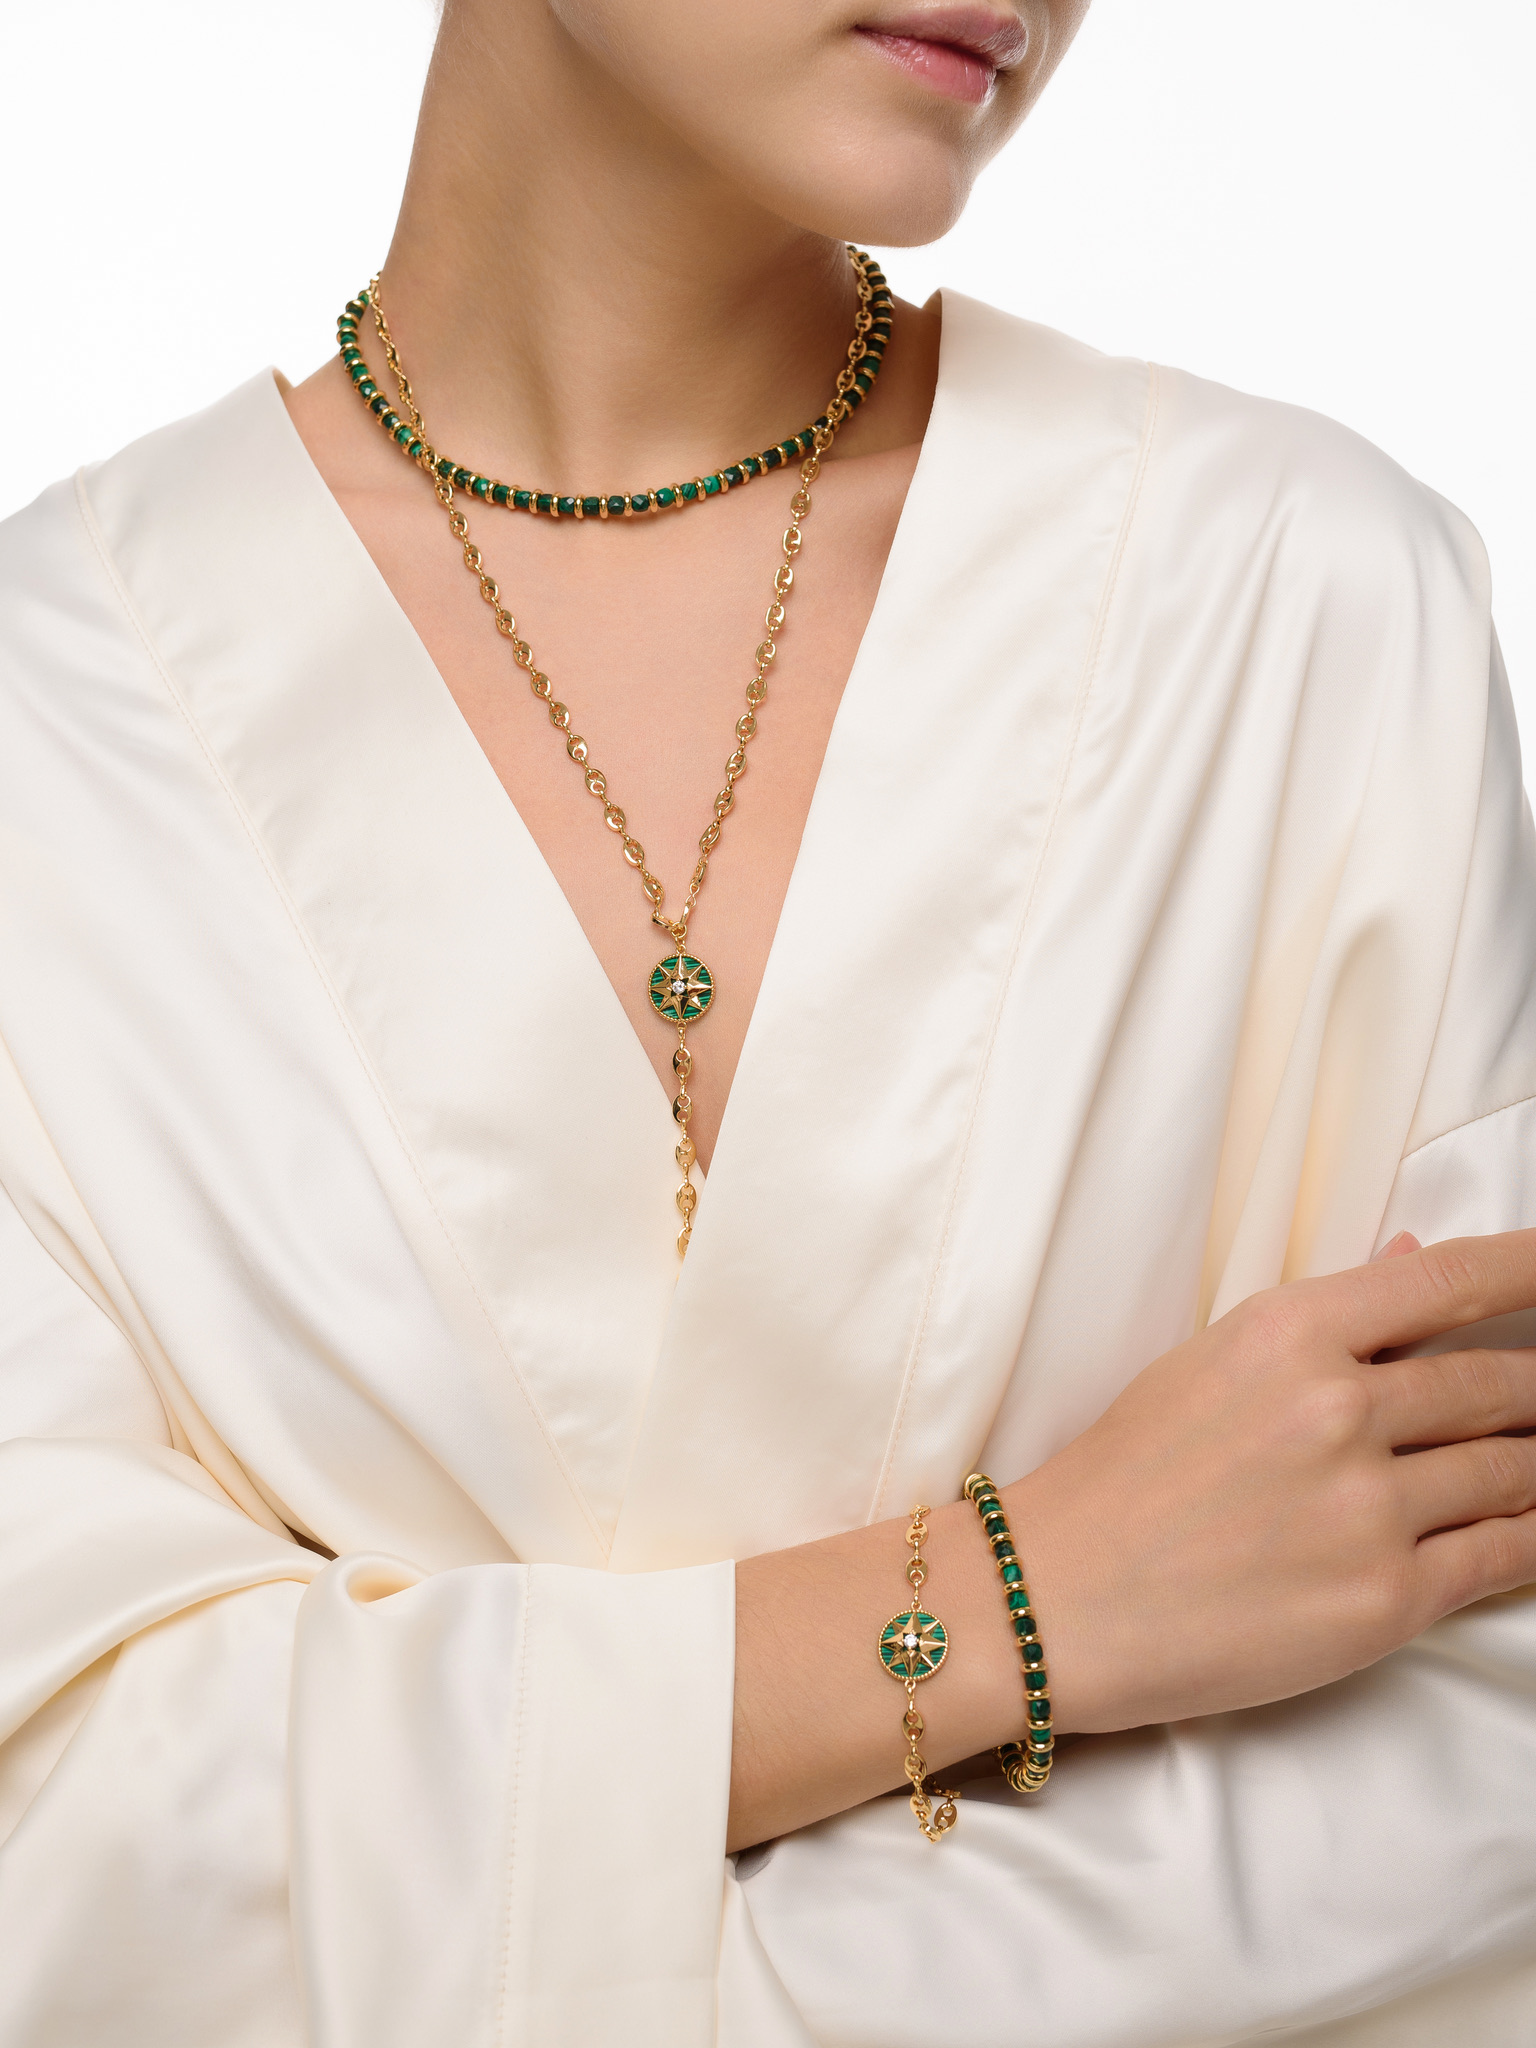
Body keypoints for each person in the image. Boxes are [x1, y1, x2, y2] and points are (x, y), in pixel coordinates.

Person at [1, 1, 1533, 2041]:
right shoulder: (45, 745)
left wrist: (478, 1907)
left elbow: (1476, 1764)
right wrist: (1014, 1602)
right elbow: (63, 1847)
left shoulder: (1303, 610)